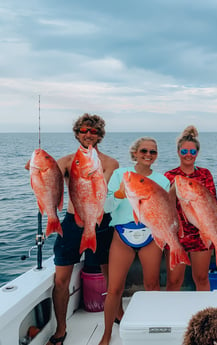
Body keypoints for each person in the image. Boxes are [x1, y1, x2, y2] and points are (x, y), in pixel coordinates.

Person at [46, 114, 119, 345]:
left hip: (101, 223)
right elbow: (50, 182)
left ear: (100, 136)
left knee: (111, 277)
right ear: (77, 133)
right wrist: (39, 171)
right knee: (61, 281)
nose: (89, 134)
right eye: (84, 130)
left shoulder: (110, 164)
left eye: (94, 131)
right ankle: (61, 328)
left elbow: (104, 191)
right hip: (70, 223)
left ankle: (117, 313)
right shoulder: (66, 162)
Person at [98, 137, 169, 345]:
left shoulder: (162, 180)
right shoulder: (120, 175)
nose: (148, 155)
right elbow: (106, 208)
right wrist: (119, 194)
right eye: (144, 151)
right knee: (114, 289)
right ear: (135, 153)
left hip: (150, 235)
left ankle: (153, 328)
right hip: (121, 235)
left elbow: (163, 211)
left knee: (152, 284)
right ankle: (106, 334)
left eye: (153, 152)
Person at [164, 125, 216, 291]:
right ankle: (172, 315)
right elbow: (165, 207)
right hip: (176, 234)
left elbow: (212, 204)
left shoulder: (205, 174)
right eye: (184, 151)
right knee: (173, 281)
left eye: (192, 152)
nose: (188, 155)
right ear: (178, 152)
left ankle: (206, 316)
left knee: (201, 278)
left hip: (201, 234)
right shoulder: (169, 176)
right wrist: (173, 189)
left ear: (197, 153)